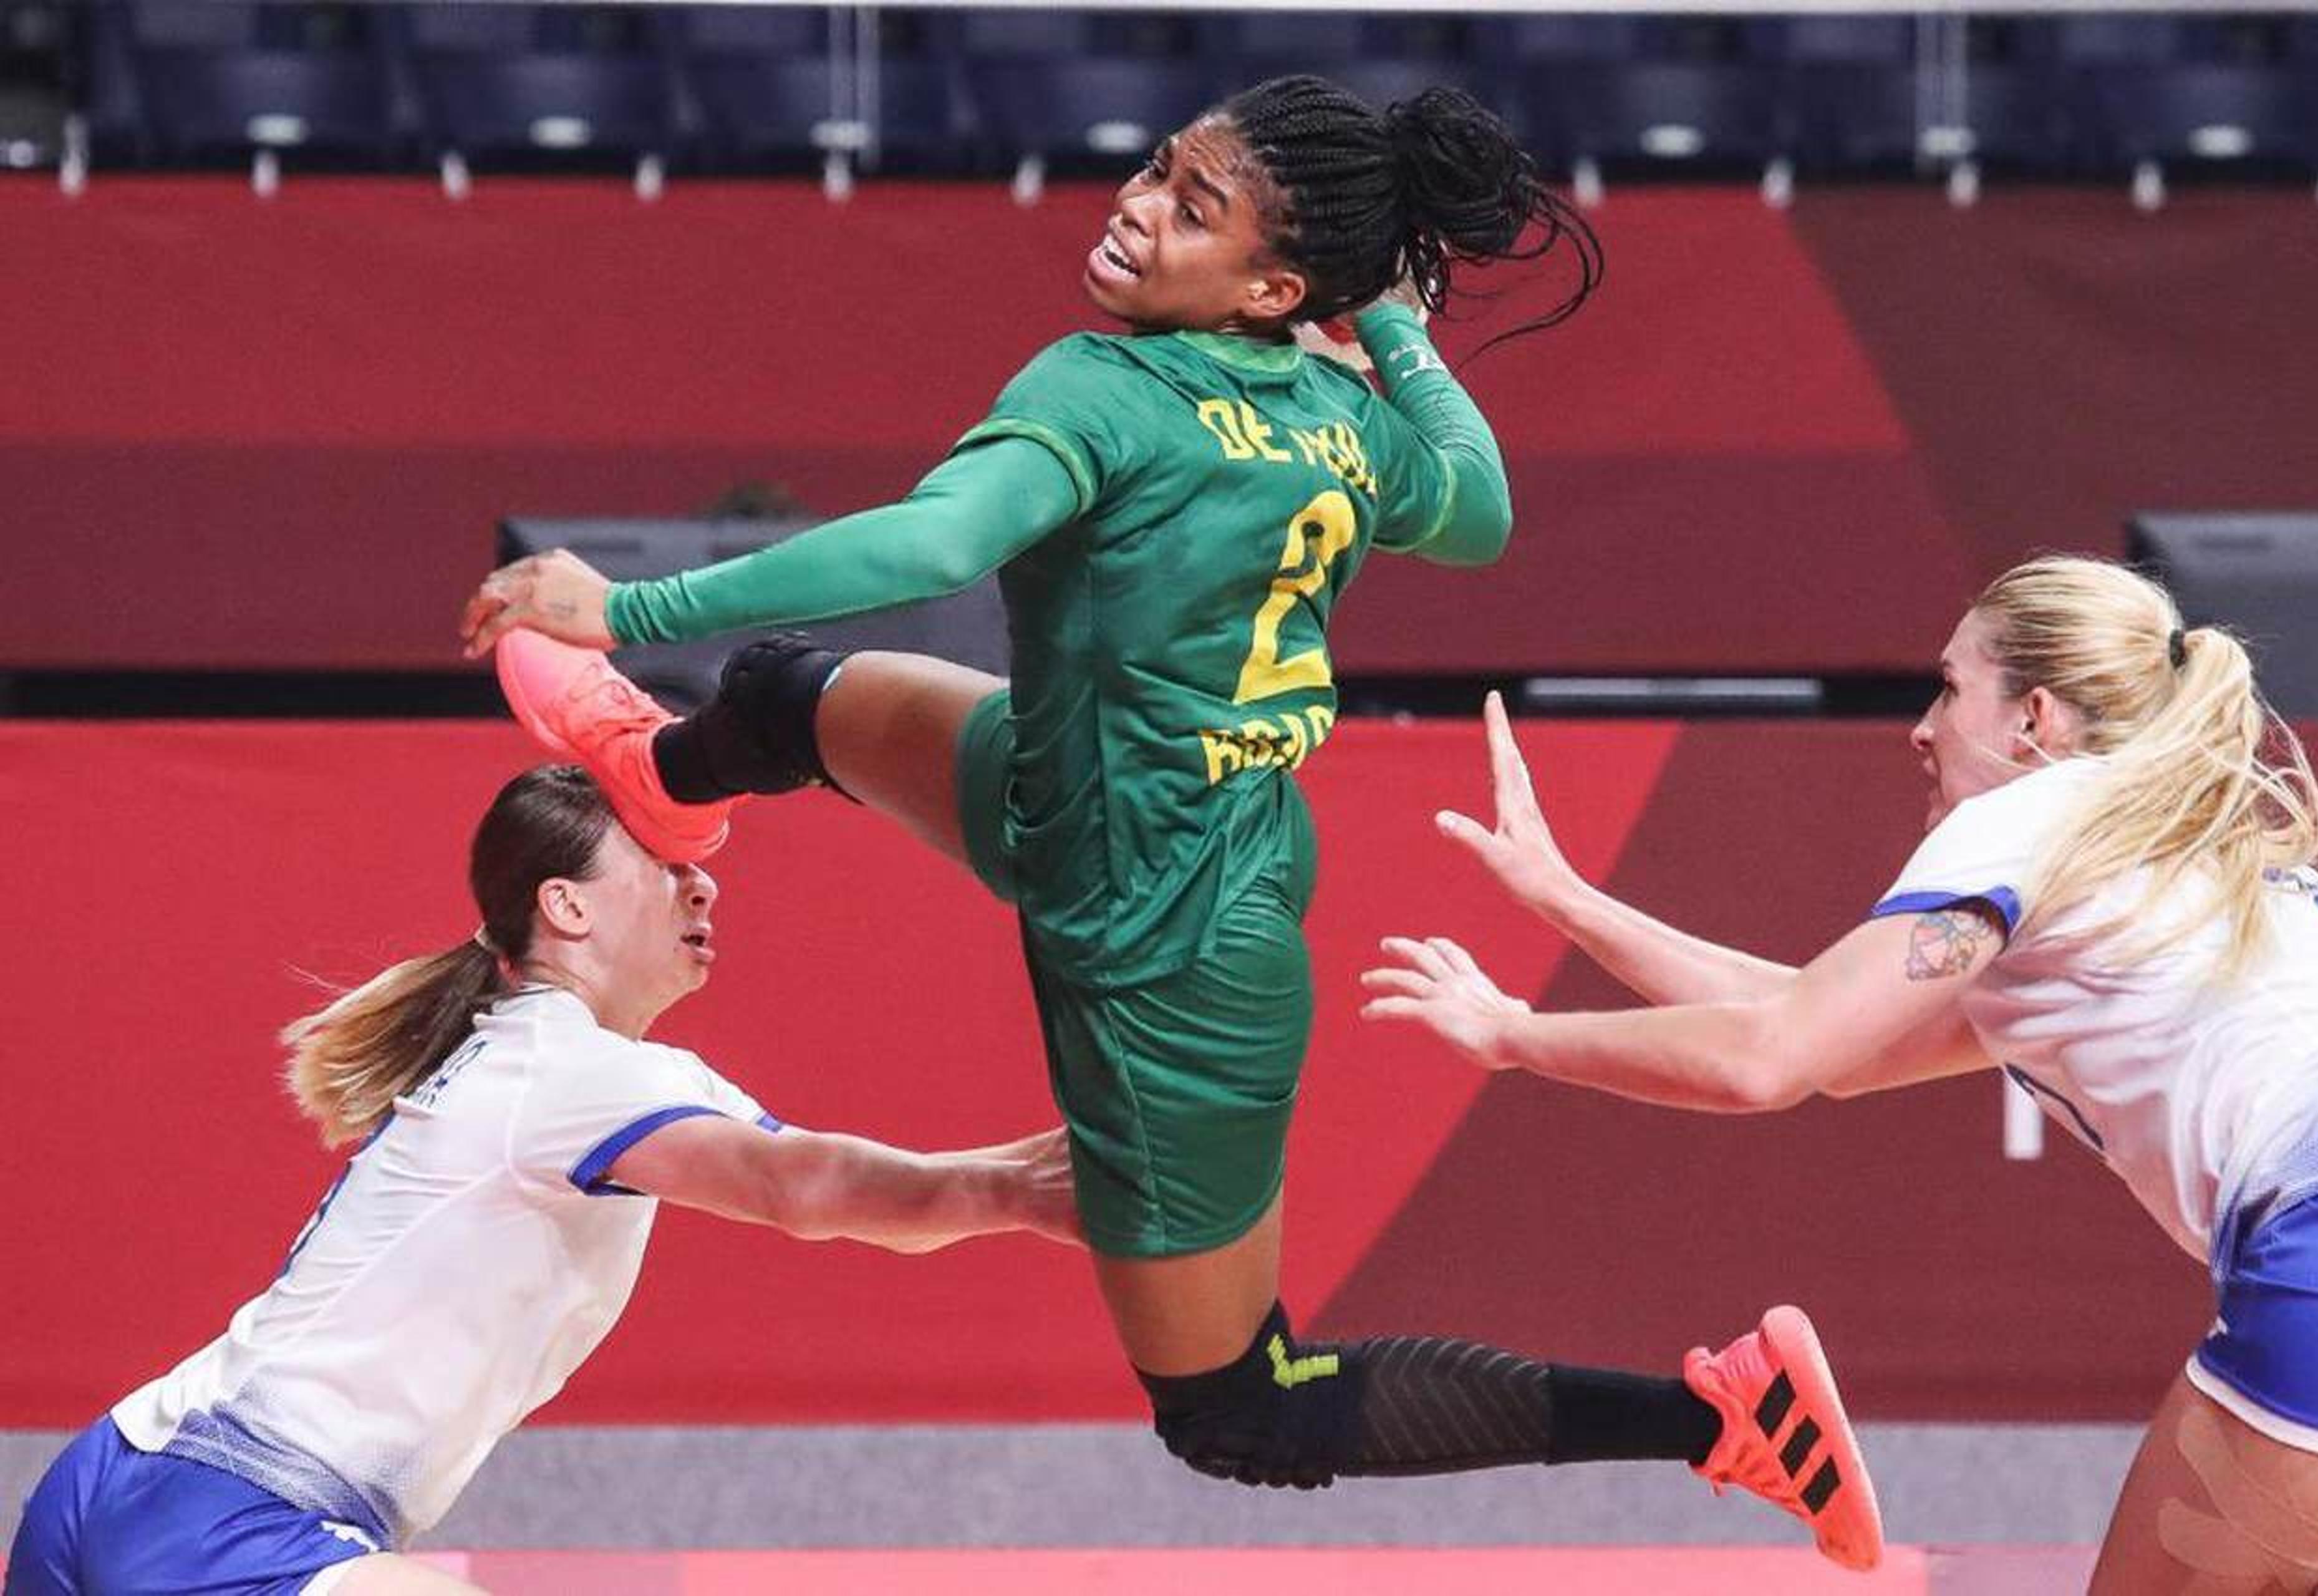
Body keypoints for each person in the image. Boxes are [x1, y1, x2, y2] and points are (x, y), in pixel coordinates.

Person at [455, 75, 1881, 1570]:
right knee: (793, 699)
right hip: (1070, 781)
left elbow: (937, 542)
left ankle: (1721, 1414)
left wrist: (626, 603)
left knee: (1239, 1407)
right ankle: (660, 778)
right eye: (1156, 170)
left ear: (1271, 283)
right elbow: (1477, 504)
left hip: (1167, 960)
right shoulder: (1336, 410)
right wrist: (1389, 326)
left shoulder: (1104, 390)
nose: (1138, 204)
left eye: (1192, 207)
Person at [1364, 554, 2318, 1592]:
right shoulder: (2179, 866)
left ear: (2032, 721)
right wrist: (1568, 901)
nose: (1922, 726)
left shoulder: (2035, 818)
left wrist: (1514, 1037)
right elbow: (1822, 1039)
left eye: (1951, 688)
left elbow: (1765, 1061)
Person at [6, 765, 1078, 1595]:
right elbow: (799, 1191)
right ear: (565, 908)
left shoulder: (560, 1061)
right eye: (663, 858)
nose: (702, 879)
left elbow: (838, 1187)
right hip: (232, 1518)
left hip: (126, 1472)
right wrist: (1026, 1194)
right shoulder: (568, 1070)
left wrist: (1036, 1170)